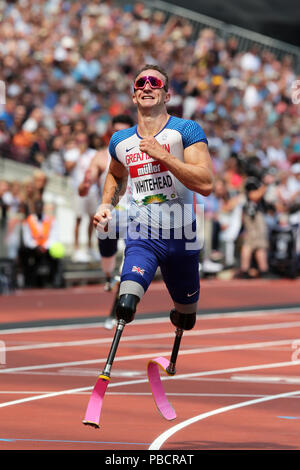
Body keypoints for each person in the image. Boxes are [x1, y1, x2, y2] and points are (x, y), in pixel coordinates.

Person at [93, 64, 213, 378]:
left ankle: (180, 316)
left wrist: (165, 156)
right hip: (142, 233)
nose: (147, 86)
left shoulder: (186, 131)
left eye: (154, 82)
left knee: (187, 317)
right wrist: (106, 203)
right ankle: (107, 369)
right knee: (126, 304)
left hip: (182, 233)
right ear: (134, 95)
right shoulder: (120, 140)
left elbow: (205, 182)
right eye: (140, 83)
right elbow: (116, 175)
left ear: (166, 93)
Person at [78, 114, 134, 329]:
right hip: (109, 219)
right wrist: (85, 185)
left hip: (134, 217)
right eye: (114, 132)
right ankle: (110, 277)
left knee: (129, 264)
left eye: (123, 132)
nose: (118, 136)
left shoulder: (141, 155)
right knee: (108, 264)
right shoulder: (101, 157)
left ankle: (116, 311)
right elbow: (86, 183)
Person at [64, 131, 98, 262]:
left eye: (83, 140)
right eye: (79, 141)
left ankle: (90, 247)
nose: (82, 143)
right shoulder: (72, 153)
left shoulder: (93, 153)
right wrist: (79, 154)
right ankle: (77, 249)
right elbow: (68, 168)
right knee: (78, 219)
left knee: (92, 219)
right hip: (78, 190)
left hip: (92, 190)